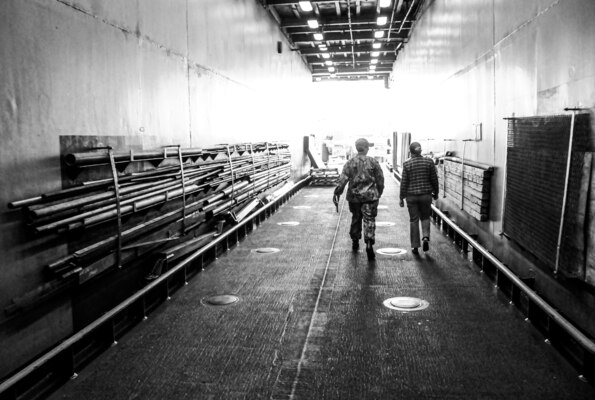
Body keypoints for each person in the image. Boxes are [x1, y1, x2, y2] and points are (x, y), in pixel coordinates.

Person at [333, 138, 384, 260]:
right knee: (369, 219)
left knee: (356, 218)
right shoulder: (373, 162)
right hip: (370, 198)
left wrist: (337, 193)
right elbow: (380, 179)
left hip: (354, 198)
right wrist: (379, 192)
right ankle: (369, 244)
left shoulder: (350, 163)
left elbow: (343, 180)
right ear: (366, 148)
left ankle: (355, 240)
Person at [399, 142, 439, 254]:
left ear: (410, 152)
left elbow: (404, 182)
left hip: (411, 197)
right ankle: (425, 237)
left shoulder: (407, 164)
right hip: (426, 196)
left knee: (414, 220)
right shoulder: (429, 162)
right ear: (420, 151)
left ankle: (415, 245)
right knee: (425, 217)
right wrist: (436, 192)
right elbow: (434, 179)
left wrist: (401, 197)